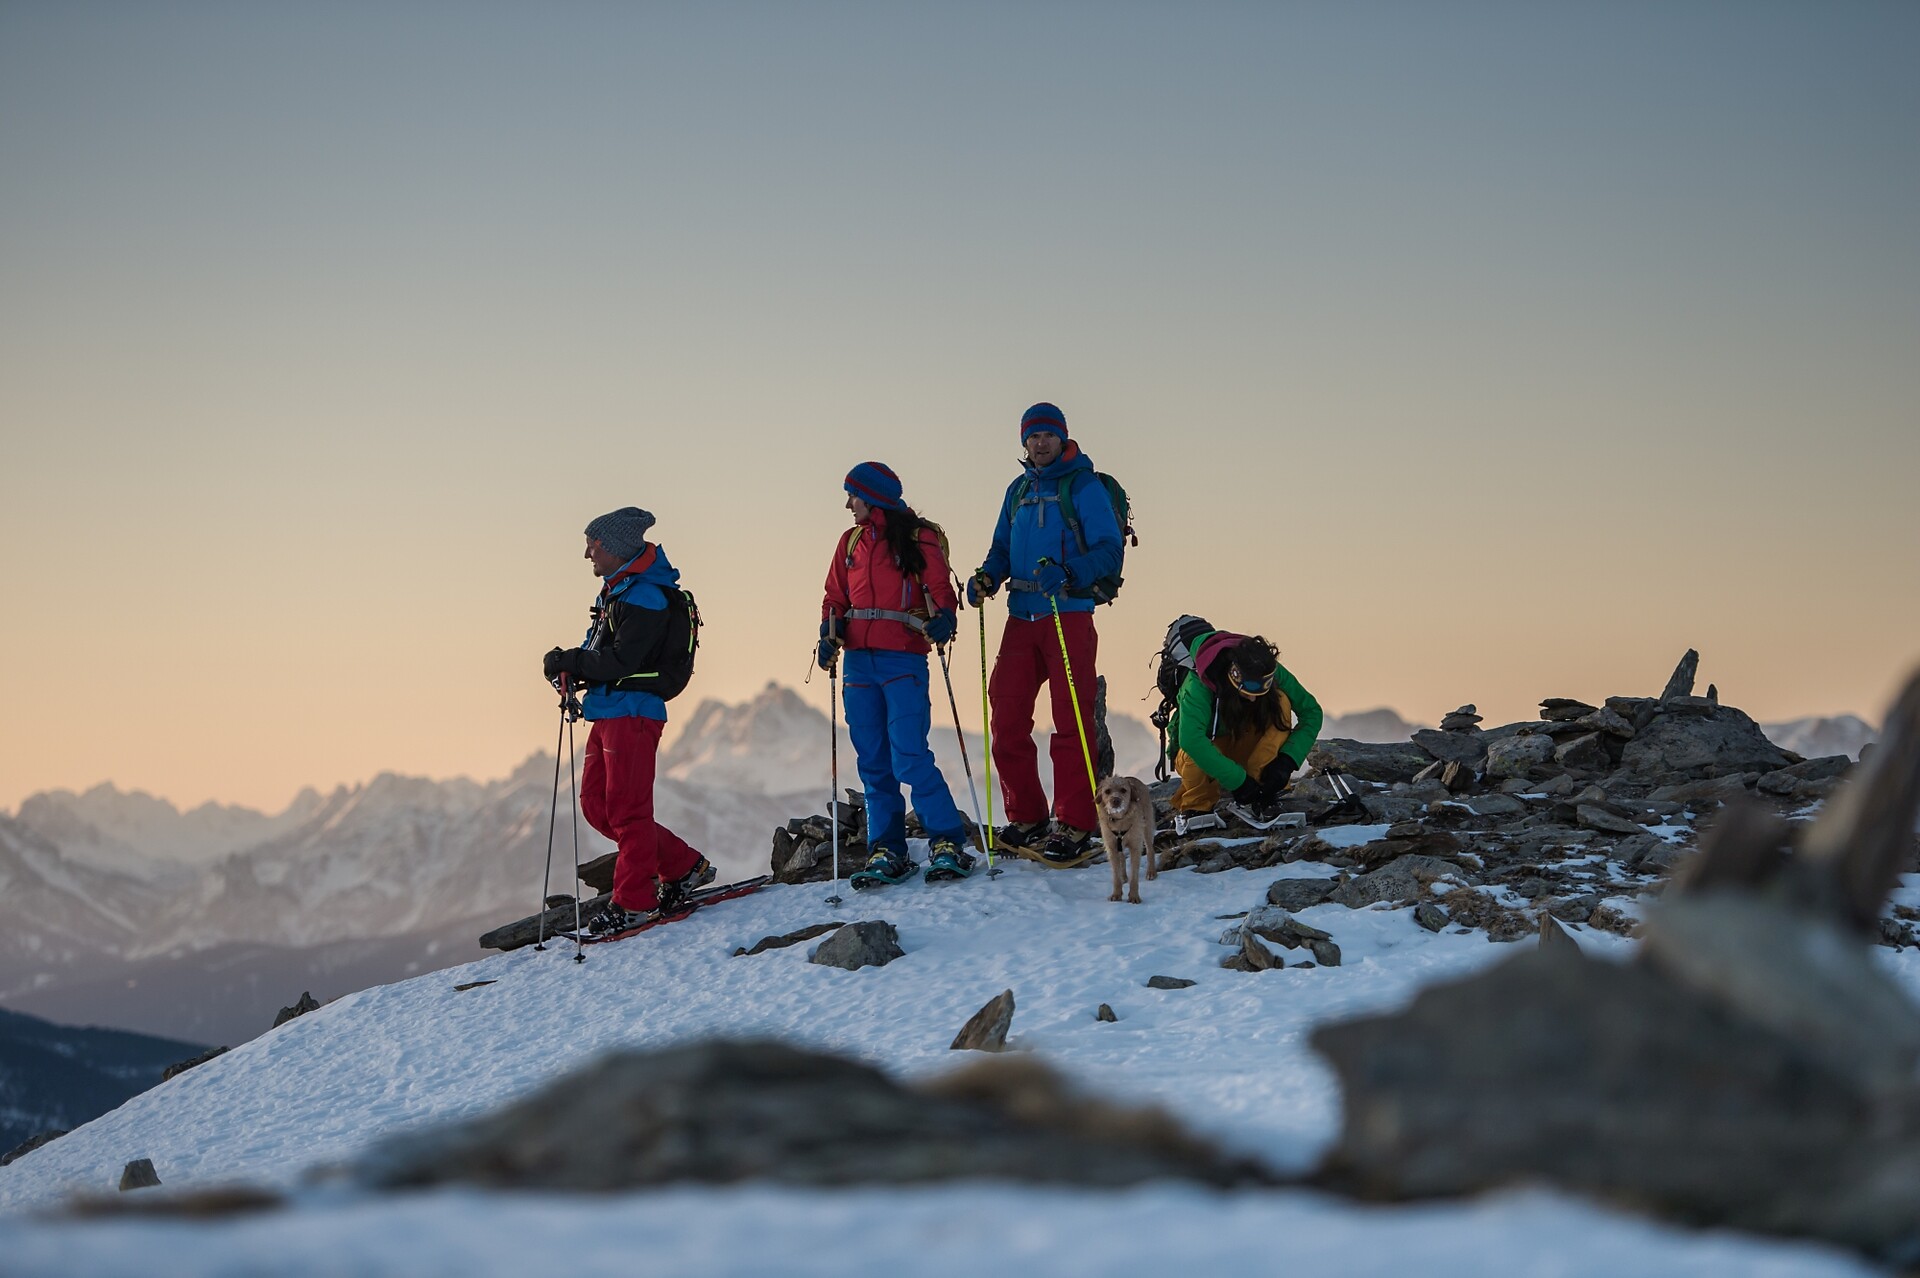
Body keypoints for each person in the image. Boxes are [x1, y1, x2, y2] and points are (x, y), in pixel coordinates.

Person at [542, 506, 714, 935]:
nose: (588, 554)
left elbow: (622, 660)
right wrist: (569, 665)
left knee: (627, 810)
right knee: (596, 805)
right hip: (609, 710)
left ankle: (634, 901)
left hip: (634, 712)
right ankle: (683, 865)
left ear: (616, 547)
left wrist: (570, 660)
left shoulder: (644, 595)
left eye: (594, 545)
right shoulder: (618, 592)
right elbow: (602, 655)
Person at [966, 403, 1124, 864]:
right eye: (1033, 436)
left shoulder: (1083, 486)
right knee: (1006, 714)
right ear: (1024, 441)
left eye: (1048, 435)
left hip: (1068, 613)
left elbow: (1109, 550)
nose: (1040, 443)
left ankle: (1075, 823)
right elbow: (1000, 548)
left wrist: (1069, 573)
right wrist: (988, 577)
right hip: (1021, 616)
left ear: (1062, 438)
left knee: (1071, 718)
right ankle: (1027, 817)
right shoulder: (1017, 491)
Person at [818, 463, 973, 886]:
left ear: (873, 498)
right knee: (873, 761)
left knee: (909, 755)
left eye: (853, 495)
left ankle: (947, 841)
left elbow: (941, 591)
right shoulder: (850, 542)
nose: (848, 504)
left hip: (903, 659)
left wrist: (945, 618)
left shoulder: (919, 538)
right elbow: (834, 597)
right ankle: (887, 848)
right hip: (858, 664)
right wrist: (828, 634)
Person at [1166, 629, 1323, 817]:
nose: (1253, 697)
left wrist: (1287, 760)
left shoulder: (1267, 669)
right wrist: (1239, 782)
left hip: (1241, 741)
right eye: (1251, 688)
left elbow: (1311, 712)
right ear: (1234, 675)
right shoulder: (1198, 683)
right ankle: (1196, 805)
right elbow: (1191, 741)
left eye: (1263, 687)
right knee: (1195, 751)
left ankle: (1264, 786)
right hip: (1200, 753)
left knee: (1281, 701)